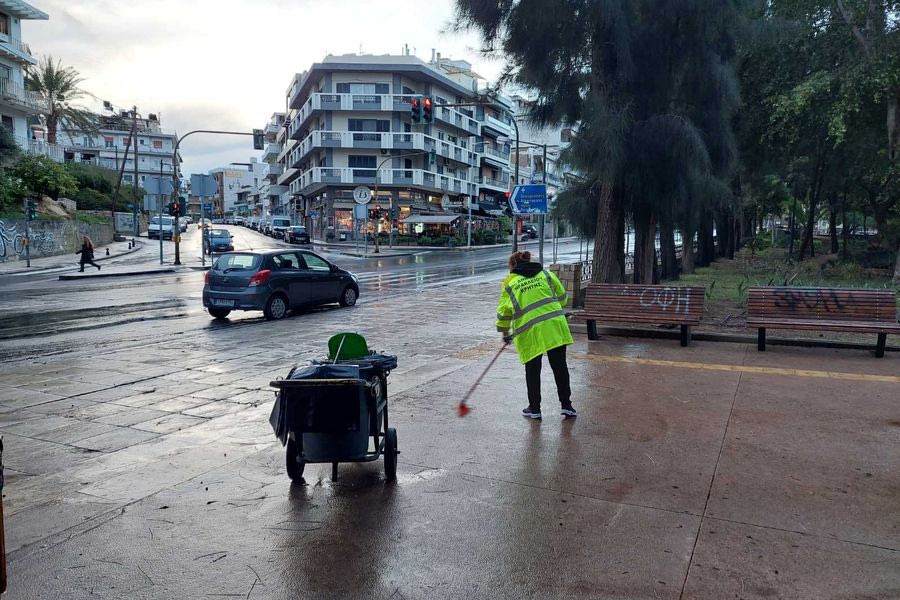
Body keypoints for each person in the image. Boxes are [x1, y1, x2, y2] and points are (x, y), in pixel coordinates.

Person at [496, 251, 576, 419]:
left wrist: (505, 333)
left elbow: (504, 313)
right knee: (559, 366)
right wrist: (554, 308)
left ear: (512, 266)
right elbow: (562, 296)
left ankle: (535, 409)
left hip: (529, 331)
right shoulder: (545, 274)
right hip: (554, 325)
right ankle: (567, 405)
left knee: (533, 370)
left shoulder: (510, 283)